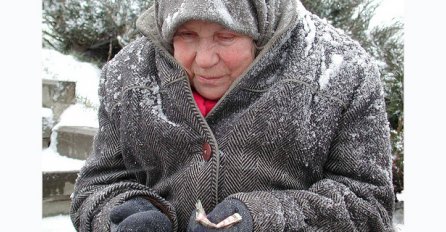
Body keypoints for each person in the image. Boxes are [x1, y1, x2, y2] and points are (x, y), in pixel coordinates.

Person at [70, 0, 395, 231]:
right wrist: (123, 213)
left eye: (226, 36)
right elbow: (97, 185)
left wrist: (263, 219)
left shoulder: (343, 70)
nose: (205, 60)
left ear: (261, 28)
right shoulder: (128, 73)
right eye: (186, 36)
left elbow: (368, 204)